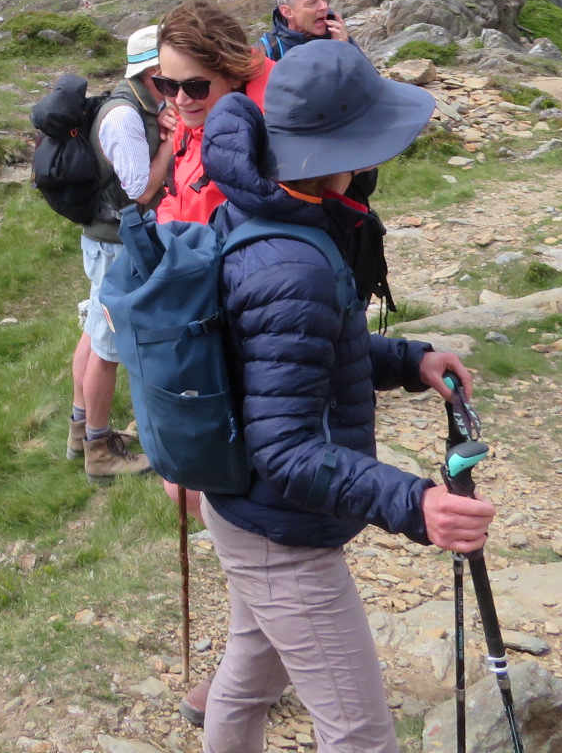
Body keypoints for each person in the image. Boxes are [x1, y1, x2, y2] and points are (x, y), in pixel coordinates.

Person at [177, 39, 494, 752]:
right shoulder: (297, 263)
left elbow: (292, 349)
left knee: (249, 678)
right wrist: (416, 503)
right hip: (282, 533)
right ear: (339, 153)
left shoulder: (258, 205)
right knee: (358, 731)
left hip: (240, 509)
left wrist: (410, 362)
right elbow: (287, 449)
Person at [70, 25, 168, 481]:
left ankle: (79, 431)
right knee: (108, 349)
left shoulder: (139, 102)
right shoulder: (125, 117)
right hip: (114, 247)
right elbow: (141, 190)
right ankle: (100, 450)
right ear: (153, 70)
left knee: (93, 335)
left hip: (106, 240)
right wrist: (170, 143)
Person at [152, 0, 271, 226]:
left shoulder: (265, 144)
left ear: (234, 75)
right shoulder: (187, 126)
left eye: (195, 87)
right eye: (167, 85)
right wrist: (166, 235)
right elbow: (174, 195)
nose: (180, 100)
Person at [260, 0, 348, 62]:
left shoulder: (338, 36)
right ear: (288, 12)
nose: (324, 7)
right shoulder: (267, 51)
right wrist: (337, 53)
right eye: (312, 2)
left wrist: (344, 48)